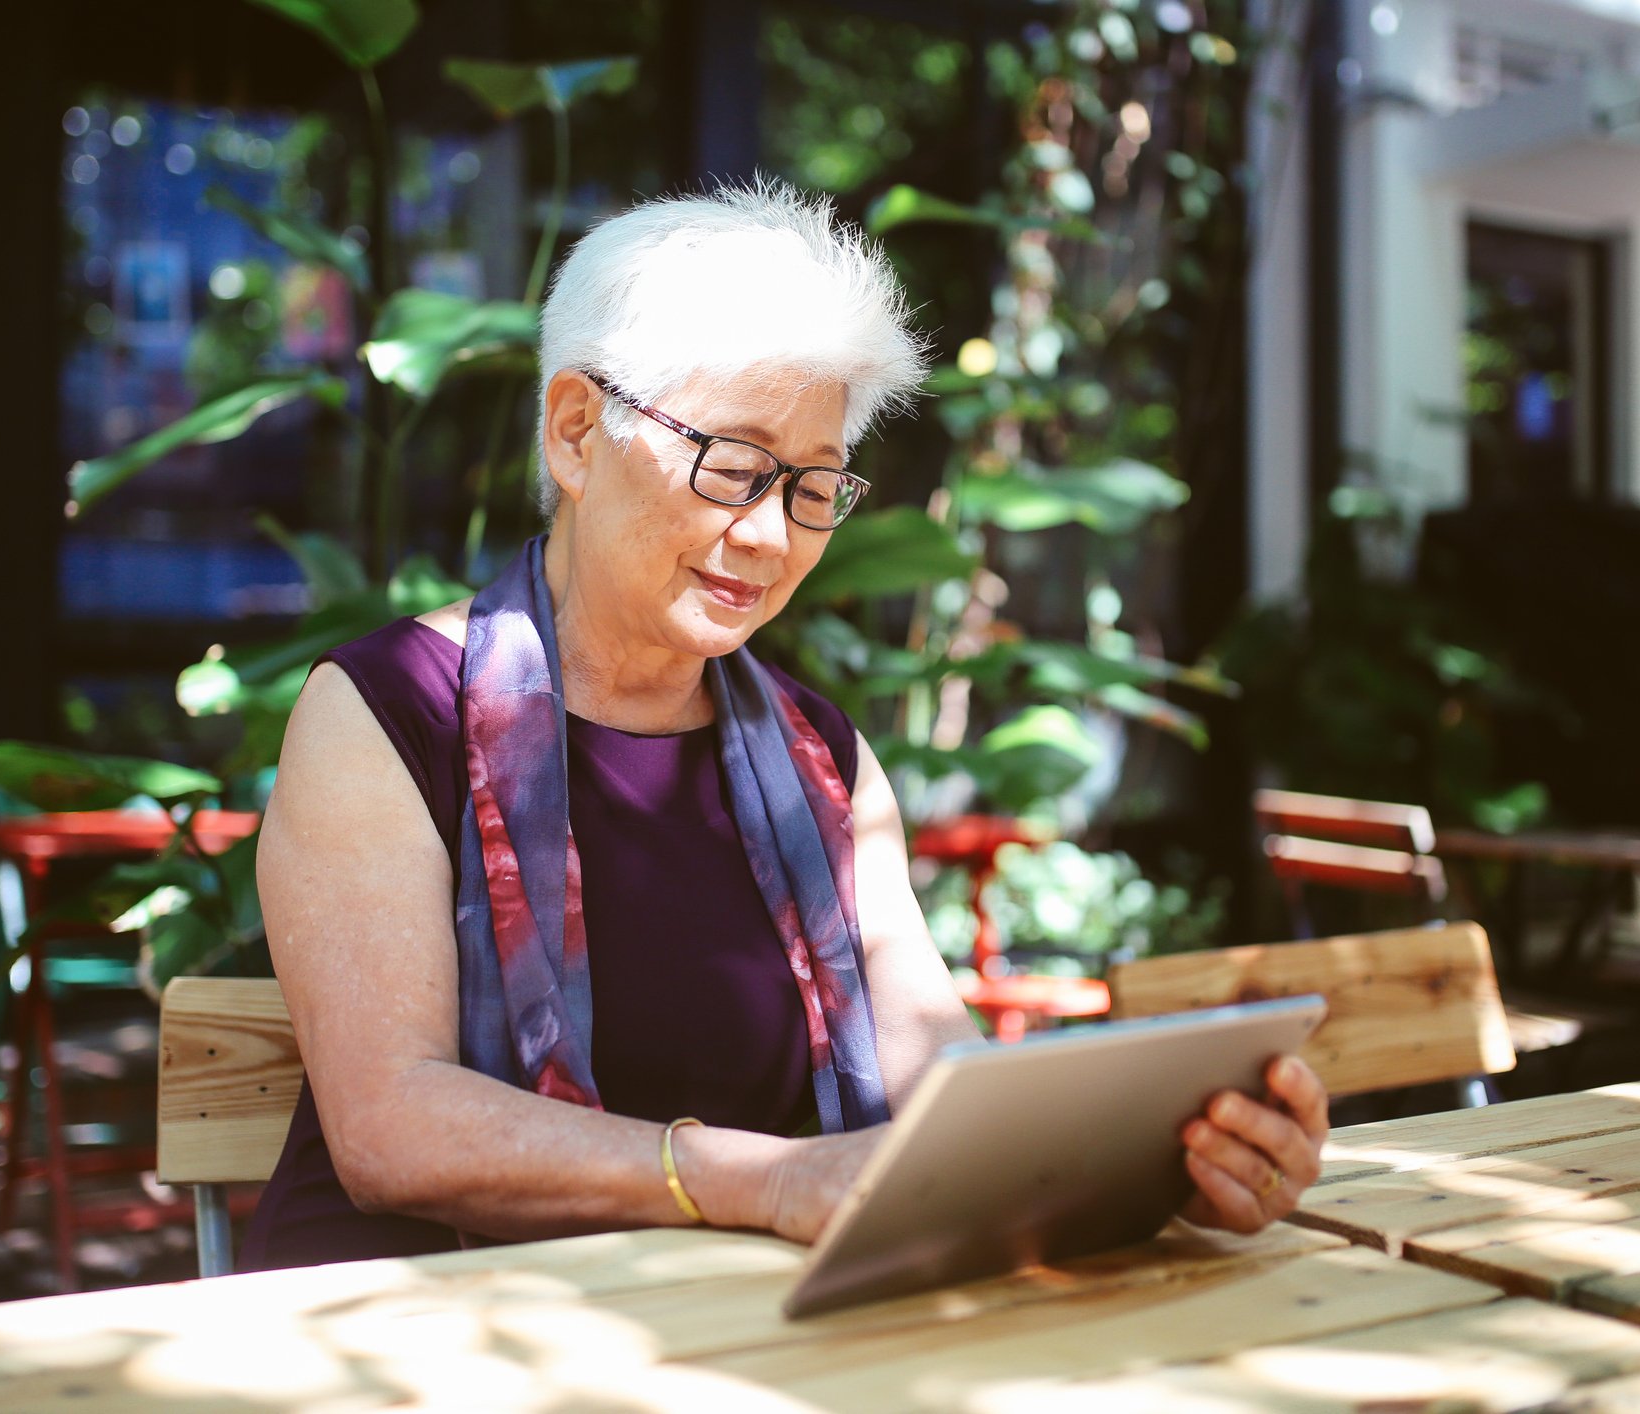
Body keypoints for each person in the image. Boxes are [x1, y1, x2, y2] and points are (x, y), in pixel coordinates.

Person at [241, 181, 1329, 1270]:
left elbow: (938, 1082)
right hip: (420, 1328)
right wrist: (766, 1180)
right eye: (732, 465)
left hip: (718, 1331)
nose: (769, 536)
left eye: (812, 486)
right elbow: (394, 1129)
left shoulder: (824, 763)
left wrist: (1167, 1160)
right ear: (577, 432)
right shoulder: (387, 712)